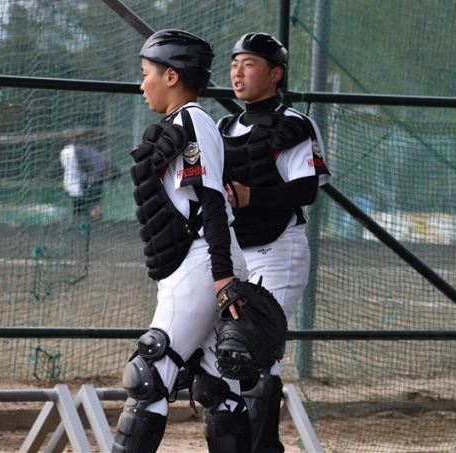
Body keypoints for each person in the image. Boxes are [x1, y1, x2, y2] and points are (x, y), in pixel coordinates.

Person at [111, 29, 252, 453]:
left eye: (146, 73)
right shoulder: (179, 124)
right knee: (219, 388)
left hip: (204, 263)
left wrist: (222, 276)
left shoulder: (192, 120)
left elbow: (212, 200)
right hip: (199, 263)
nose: (142, 84)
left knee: (149, 376)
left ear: (171, 76)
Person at [218, 32, 330, 453]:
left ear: (275, 74)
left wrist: (252, 196)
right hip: (234, 249)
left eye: (249, 64)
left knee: (251, 344)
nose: (237, 72)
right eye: (234, 64)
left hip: (278, 247)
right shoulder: (222, 127)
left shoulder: (293, 124)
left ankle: (261, 447)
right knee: (227, 350)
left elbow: (306, 190)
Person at [60, 141, 119, 221]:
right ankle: (78, 216)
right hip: (71, 154)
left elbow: (94, 186)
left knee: (78, 189)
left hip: (74, 156)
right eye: (109, 177)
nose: (107, 180)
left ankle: (79, 215)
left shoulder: (102, 166)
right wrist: (93, 207)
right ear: (110, 171)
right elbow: (93, 186)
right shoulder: (100, 166)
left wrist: (95, 204)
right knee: (75, 188)